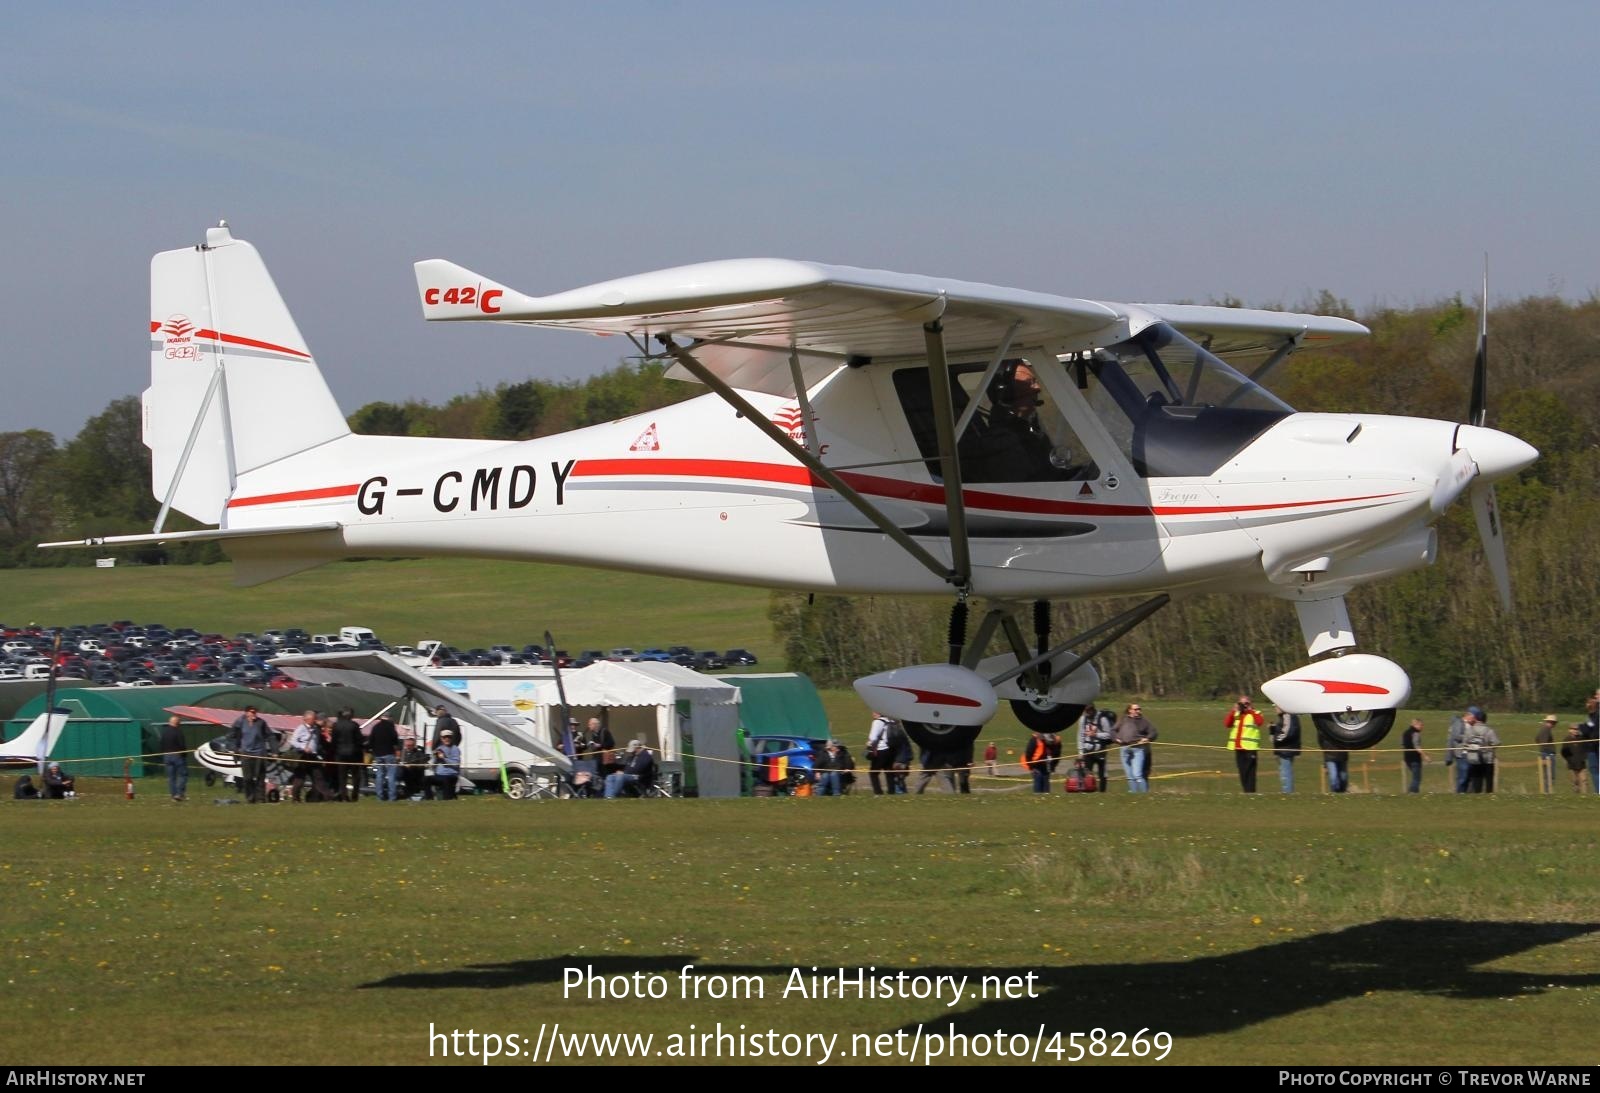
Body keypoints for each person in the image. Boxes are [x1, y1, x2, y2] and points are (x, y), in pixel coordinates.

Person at [228, 705, 275, 804]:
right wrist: (235, 749)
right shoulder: (239, 722)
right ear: (246, 713)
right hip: (246, 753)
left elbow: (270, 736)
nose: (254, 714)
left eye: (255, 712)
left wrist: (275, 751)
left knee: (260, 777)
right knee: (248, 778)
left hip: (259, 753)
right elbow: (232, 737)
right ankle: (250, 798)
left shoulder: (261, 723)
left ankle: (261, 799)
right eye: (251, 712)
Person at [1224, 695, 1264, 793]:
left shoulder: (1256, 713)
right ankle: (1246, 791)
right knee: (1242, 771)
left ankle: (1250, 792)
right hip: (1238, 748)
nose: (1244, 705)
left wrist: (1251, 711)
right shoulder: (1236, 714)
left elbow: (1259, 722)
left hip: (1250, 748)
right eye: (1242, 703)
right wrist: (1233, 711)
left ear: (1250, 704)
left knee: (1250, 771)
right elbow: (1227, 724)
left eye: (1246, 703)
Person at [1113, 703, 1156, 792]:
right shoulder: (1123, 719)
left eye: (1139, 709)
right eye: (1136, 709)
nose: (1138, 711)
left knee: (1137, 774)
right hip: (1124, 748)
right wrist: (1116, 739)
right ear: (1130, 710)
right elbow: (1113, 730)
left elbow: (1153, 732)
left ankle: (1144, 794)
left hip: (1138, 748)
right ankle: (1134, 793)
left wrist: (1147, 738)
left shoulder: (1144, 721)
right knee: (1129, 776)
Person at [330, 707, 364, 802]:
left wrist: (334, 752)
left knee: (342, 777)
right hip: (354, 754)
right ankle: (354, 796)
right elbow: (359, 740)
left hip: (340, 754)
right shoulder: (354, 725)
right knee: (356, 777)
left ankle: (344, 797)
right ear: (350, 715)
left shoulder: (336, 725)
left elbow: (334, 741)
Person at [1080, 704, 1115, 793]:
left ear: (1093, 709)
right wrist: (1080, 751)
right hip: (1087, 751)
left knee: (1102, 773)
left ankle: (1102, 792)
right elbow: (1080, 736)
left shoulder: (1102, 719)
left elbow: (1109, 734)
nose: (1088, 713)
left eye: (1090, 710)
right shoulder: (1083, 719)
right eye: (1086, 711)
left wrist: (1096, 735)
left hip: (1100, 750)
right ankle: (1088, 792)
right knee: (1087, 773)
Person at [1461, 709, 1498, 793]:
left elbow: (1464, 743)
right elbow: (1496, 742)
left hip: (1474, 759)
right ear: (1485, 720)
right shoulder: (1489, 730)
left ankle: (1477, 794)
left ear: (1476, 719)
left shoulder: (1469, 730)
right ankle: (1489, 794)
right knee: (1489, 779)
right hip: (1488, 759)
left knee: (1476, 779)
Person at [1270, 704, 1301, 794]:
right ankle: (1286, 791)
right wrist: (1272, 730)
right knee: (1283, 773)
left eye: (1276, 706)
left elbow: (1288, 732)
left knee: (1285, 773)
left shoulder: (1288, 716)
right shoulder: (1283, 717)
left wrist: (1276, 739)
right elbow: (1279, 734)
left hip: (1286, 750)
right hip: (1282, 749)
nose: (1275, 708)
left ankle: (1288, 793)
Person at [865, 712, 899, 795]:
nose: (872, 714)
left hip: (881, 749)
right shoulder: (890, 721)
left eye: (875, 712)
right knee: (889, 772)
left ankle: (878, 793)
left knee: (873, 773)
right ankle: (892, 792)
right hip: (891, 750)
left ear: (879, 713)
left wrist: (869, 743)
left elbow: (873, 737)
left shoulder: (877, 722)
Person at [369, 716, 401, 802]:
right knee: (391, 776)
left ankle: (379, 796)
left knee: (379, 776)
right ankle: (392, 797)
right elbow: (395, 740)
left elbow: (371, 740)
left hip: (378, 754)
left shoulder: (375, 727)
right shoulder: (391, 727)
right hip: (389, 753)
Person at [159, 713, 188, 801]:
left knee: (171, 777)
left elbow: (161, 744)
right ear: (177, 723)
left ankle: (173, 795)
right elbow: (182, 745)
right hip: (177, 756)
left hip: (167, 756)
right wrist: (184, 755)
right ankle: (179, 794)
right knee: (183, 775)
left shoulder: (164, 732)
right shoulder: (178, 732)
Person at [429, 729, 462, 800]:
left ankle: (447, 798)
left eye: (449, 737)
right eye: (444, 737)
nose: (447, 739)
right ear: (441, 739)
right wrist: (434, 757)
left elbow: (456, 764)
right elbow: (433, 763)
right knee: (426, 779)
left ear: (451, 738)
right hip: (439, 775)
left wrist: (444, 758)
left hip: (450, 775)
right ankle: (429, 799)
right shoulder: (439, 748)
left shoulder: (455, 749)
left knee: (446, 780)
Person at [1401, 718, 1427, 794]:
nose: (1422, 727)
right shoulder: (1415, 733)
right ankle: (1413, 793)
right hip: (1415, 759)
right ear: (1415, 725)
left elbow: (1402, 745)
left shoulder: (1405, 733)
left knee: (1415, 777)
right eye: (1421, 725)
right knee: (1417, 778)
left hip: (1407, 758)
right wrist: (1425, 756)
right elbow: (1417, 746)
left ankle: (1412, 792)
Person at [1535, 714, 1559, 794]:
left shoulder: (1542, 729)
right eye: (1554, 723)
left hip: (1544, 753)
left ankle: (1547, 791)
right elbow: (1544, 743)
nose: (1554, 725)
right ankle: (1547, 792)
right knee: (1550, 774)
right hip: (1548, 754)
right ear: (1551, 722)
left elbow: (1537, 739)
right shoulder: (1546, 729)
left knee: (1546, 774)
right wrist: (1549, 751)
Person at [1561, 725, 1588, 793]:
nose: (1575, 731)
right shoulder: (1566, 740)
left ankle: (1585, 795)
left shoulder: (1581, 738)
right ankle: (1576, 795)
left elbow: (1586, 748)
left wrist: (1584, 757)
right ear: (1569, 730)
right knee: (1575, 781)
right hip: (1572, 764)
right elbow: (1563, 752)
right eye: (1573, 729)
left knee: (1584, 780)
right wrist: (1568, 760)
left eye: (1577, 729)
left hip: (1581, 763)